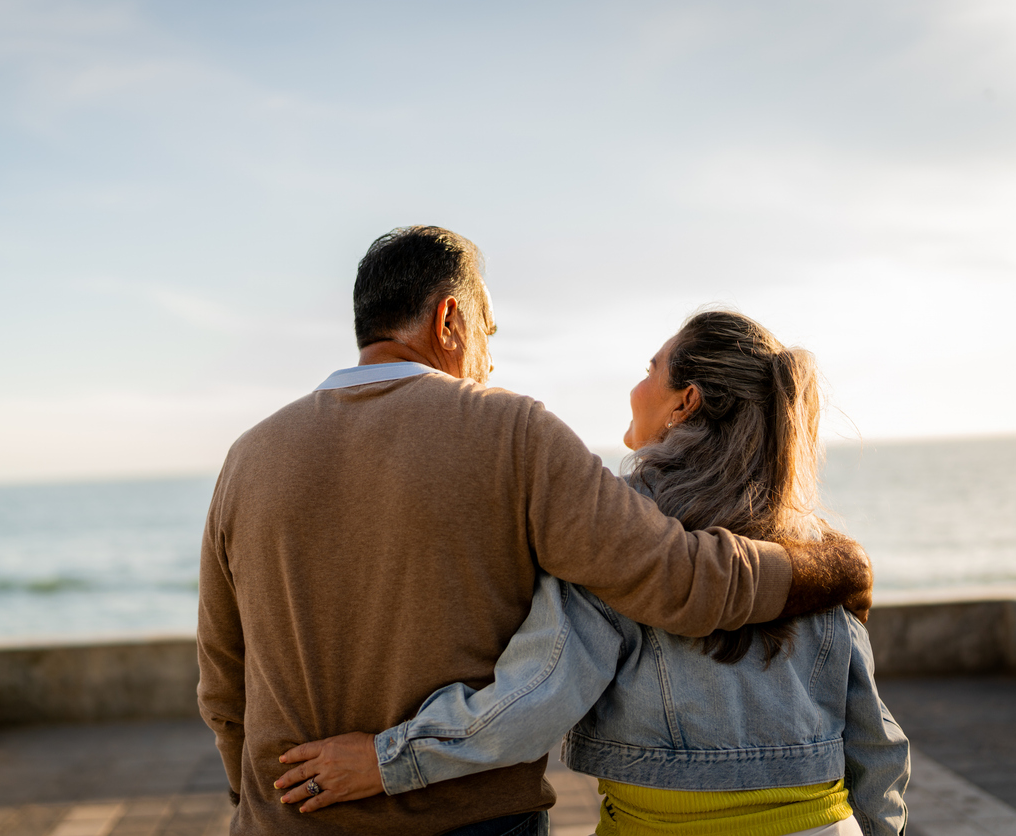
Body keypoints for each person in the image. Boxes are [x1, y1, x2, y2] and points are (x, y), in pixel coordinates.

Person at [197, 228, 873, 836]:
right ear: (450, 320)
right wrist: (833, 570)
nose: (488, 361)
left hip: (286, 819)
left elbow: (224, 682)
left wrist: (253, 794)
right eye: (488, 330)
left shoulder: (248, 457)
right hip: (470, 825)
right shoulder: (509, 431)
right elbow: (677, 579)